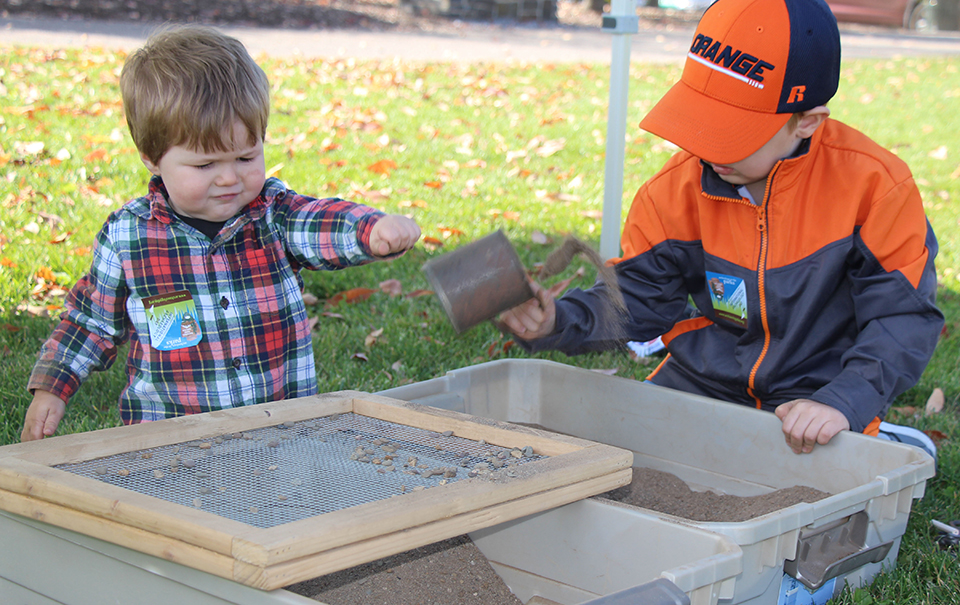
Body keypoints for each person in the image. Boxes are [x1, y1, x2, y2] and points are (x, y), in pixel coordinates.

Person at [499, 0, 943, 457]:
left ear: (806, 122)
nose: (710, 148)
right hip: (705, 379)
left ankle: (892, 445)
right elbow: (639, 296)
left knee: (816, 494)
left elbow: (900, 319)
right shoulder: (673, 190)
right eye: (702, 118)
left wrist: (844, 400)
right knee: (622, 459)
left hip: (817, 395)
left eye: (734, 132)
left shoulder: (874, 187)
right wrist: (560, 320)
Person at [22, 25, 421, 442]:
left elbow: (318, 222)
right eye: (205, 165)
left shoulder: (272, 215)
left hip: (281, 433)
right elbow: (90, 323)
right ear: (151, 158)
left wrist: (370, 229)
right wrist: (52, 388)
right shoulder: (128, 237)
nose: (229, 177)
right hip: (171, 444)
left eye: (247, 156)